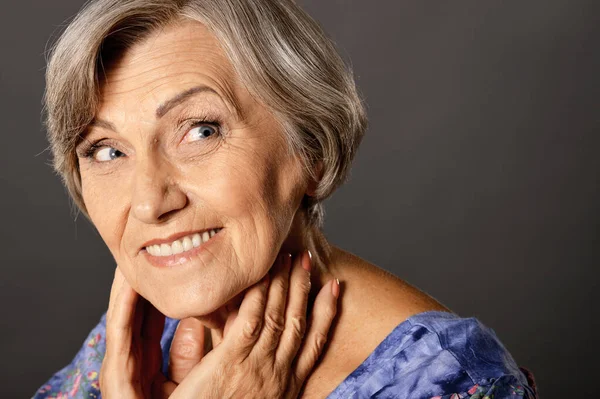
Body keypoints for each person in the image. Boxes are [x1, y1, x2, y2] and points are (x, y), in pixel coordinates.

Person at [34, 0, 538, 398]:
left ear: (311, 150)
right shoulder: (142, 332)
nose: (149, 202)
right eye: (105, 150)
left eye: (201, 130)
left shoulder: (451, 381)